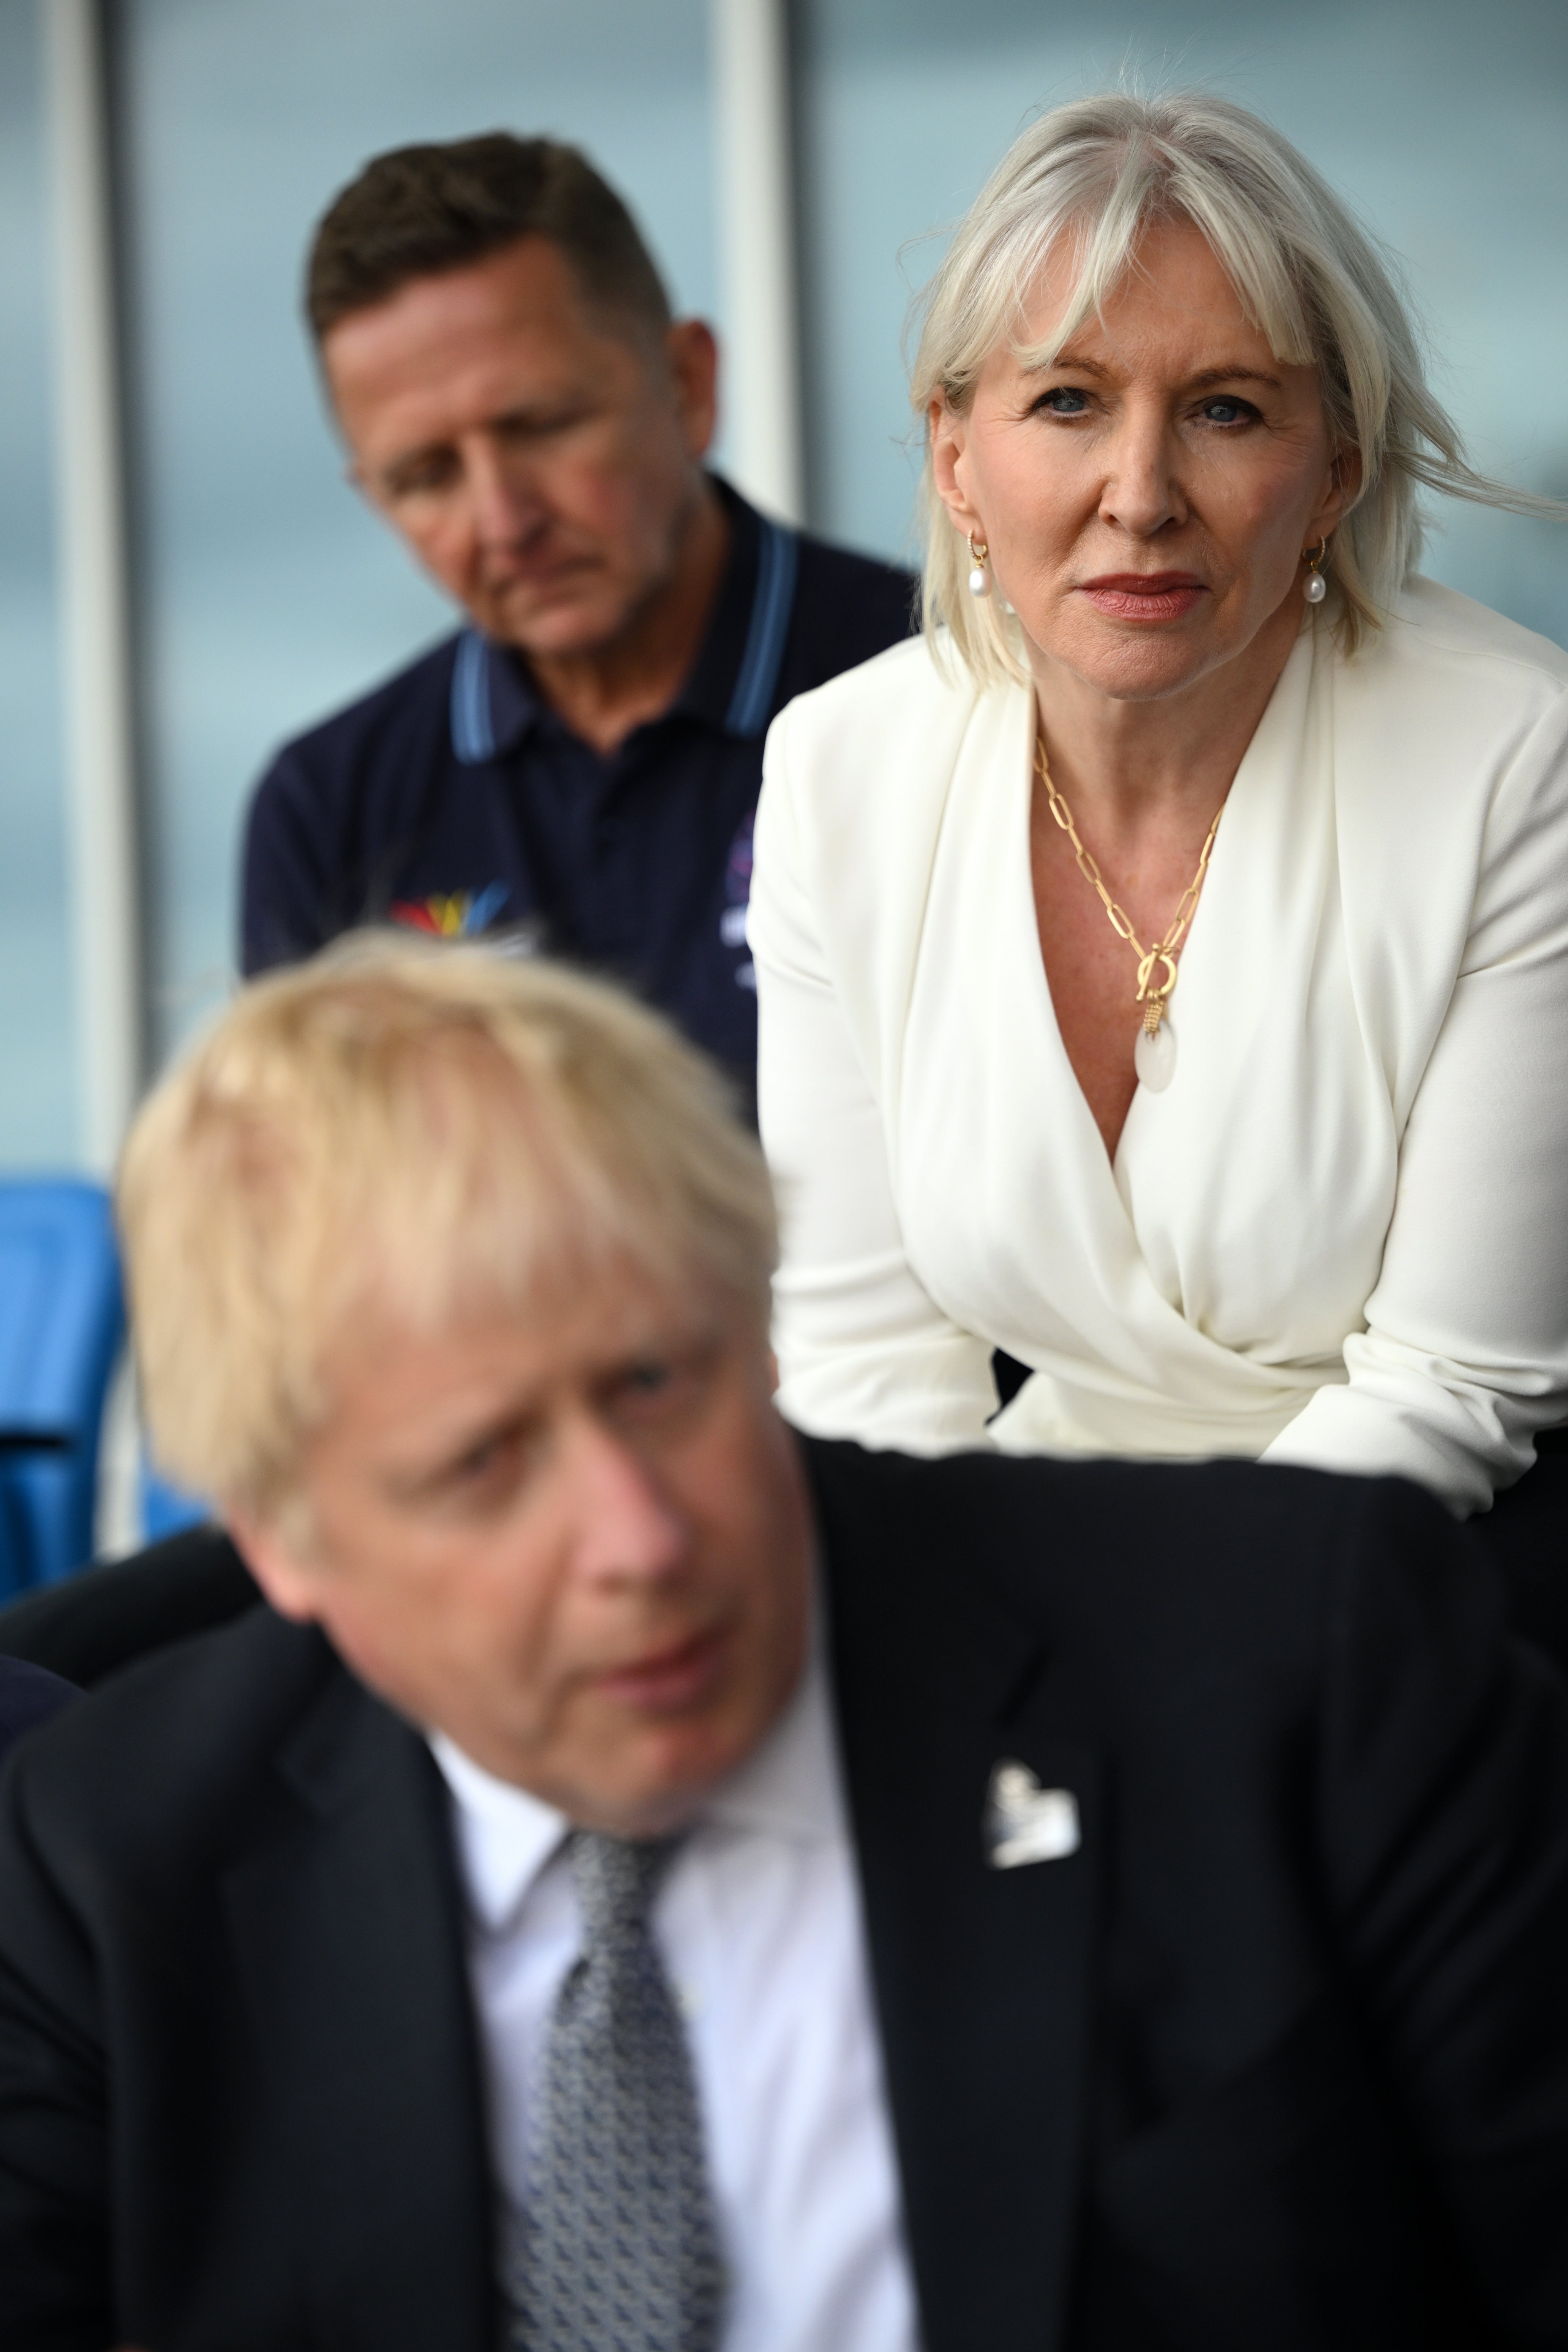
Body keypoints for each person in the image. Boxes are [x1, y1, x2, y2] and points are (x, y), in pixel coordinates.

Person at [2, 935, 1566, 2352]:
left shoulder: (1296, 1654)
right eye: (483, 1467)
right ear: (283, 1540)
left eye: (656, 1387)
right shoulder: (107, 1869)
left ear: (756, 1328)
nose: (640, 1540)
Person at [749, 90, 1568, 1512]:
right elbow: (863, 1374)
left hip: (1443, 1567)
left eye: (1224, 410)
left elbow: (1455, 1387)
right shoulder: (838, 772)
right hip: (1038, 1563)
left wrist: (1133, 1675)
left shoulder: (1517, 756)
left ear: (1335, 469)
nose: (1139, 494)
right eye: (1066, 400)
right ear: (954, 456)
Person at [242, 132, 915, 1105]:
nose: (504, 521)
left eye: (542, 426)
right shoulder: (330, 811)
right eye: (427, 477)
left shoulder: (950, 689)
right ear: (374, 498)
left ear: (688, 386)